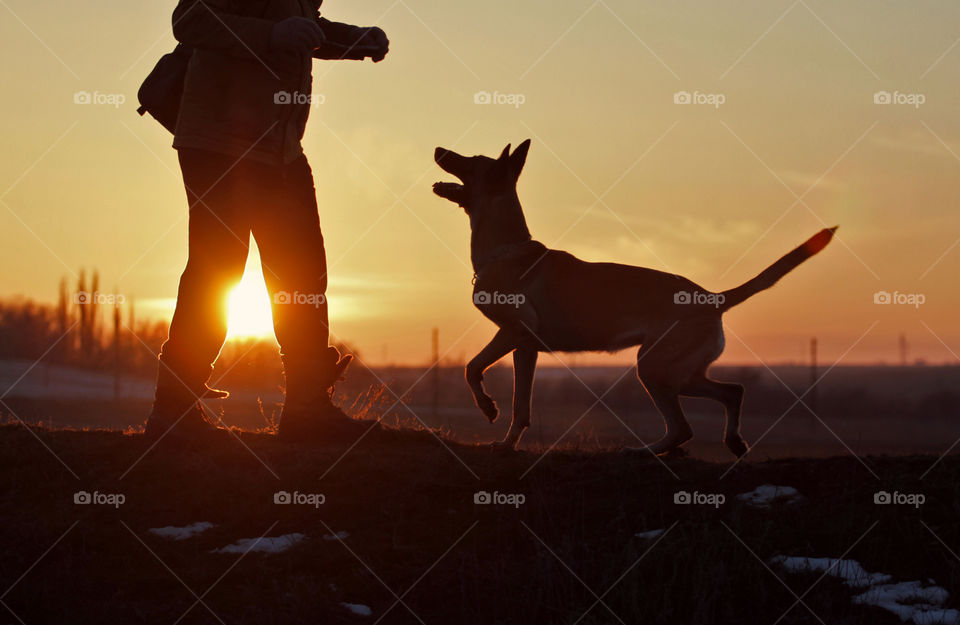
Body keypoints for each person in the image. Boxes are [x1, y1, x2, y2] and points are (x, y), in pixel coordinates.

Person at [144, 0, 389, 446]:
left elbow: (300, 28)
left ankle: (306, 409)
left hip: (279, 148)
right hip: (221, 144)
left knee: (302, 273)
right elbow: (190, 19)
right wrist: (272, 37)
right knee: (217, 271)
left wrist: (353, 40)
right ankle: (174, 412)